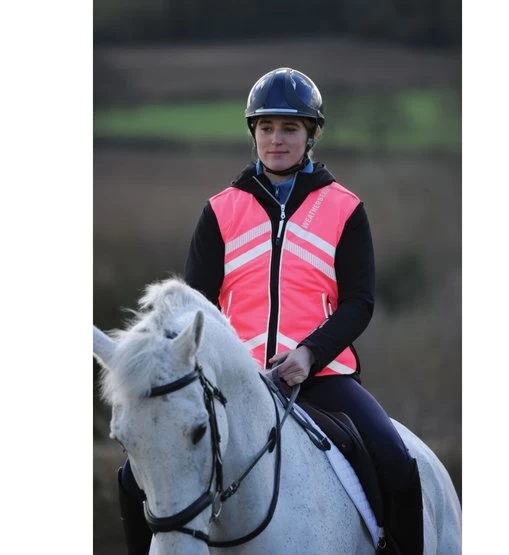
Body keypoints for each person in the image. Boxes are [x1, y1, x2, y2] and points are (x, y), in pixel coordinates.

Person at [118, 67, 423, 555]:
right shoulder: (220, 211)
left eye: (289, 128)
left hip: (322, 378)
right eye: (266, 127)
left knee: (397, 464)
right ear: (253, 133)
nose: (276, 139)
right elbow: (194, 307)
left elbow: (359, 302)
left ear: (311, 135)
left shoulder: (345, 209)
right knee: (131, 476)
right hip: (233, 381)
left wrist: (310, 354)